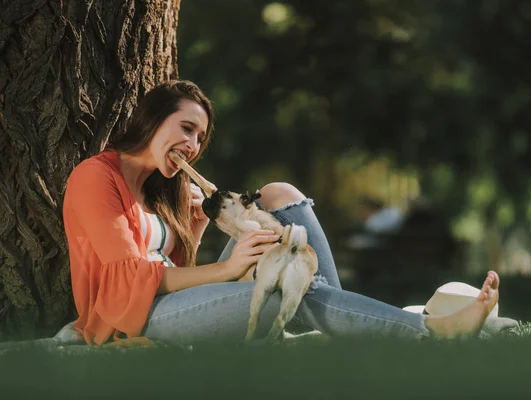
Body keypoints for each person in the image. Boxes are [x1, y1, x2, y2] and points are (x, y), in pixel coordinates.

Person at [62, 80, 500, 346]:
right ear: (152, 120)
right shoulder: (95, 178)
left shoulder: (165, 185)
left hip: (172, 301)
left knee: (278, 194)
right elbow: (130, 284)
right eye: (186, 129)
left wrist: (193, 236)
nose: (193, 147)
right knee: (285, 284)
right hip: (132, 321)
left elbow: (175, 273)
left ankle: (340, 317)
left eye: (201, 138)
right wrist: (230, 268)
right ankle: (428, 332)